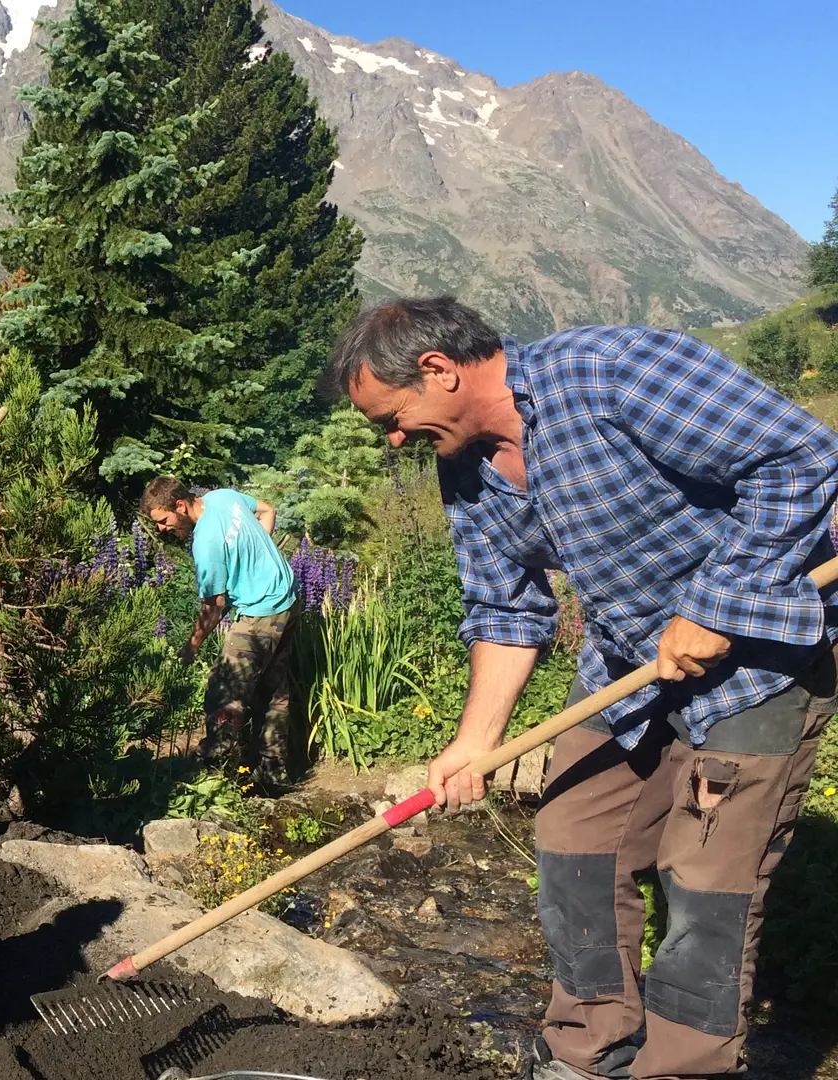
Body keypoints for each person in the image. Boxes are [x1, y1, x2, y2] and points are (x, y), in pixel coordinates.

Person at [327, 296, 838, 1080]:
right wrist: (474, 743)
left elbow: (800, 457)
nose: (395, 440)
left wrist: (717, 601)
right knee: (572, 840)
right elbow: (503, 608)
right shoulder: (464, 469)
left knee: (706, 884)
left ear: (439, 370)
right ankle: (587, 1050)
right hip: (630, 665)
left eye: (393, 418)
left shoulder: (608, 372)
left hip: (759, 662)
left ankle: (682, 1068)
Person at [141, 477, 301, 781]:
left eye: (163, 520)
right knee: (273, 691)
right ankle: (271, 774)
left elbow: (214, 604)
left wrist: (190, 648)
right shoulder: (223, 497)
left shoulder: (205, 542)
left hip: (261, 612)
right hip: (288, 599)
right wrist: (252, 559)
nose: (161, 528)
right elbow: (268, 510)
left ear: (180, 505)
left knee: (224, 691)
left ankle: (216, 772)